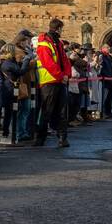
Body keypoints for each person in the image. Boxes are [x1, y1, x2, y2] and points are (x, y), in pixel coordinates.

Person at [35, 19, 72, 147]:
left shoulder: (59, 43)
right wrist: (62, 76)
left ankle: (62, 138)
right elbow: (48, 63)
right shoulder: (44, 44)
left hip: (60, 81)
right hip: (49, 81)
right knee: (47, 111)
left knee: (62, 111)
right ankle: (40, 138)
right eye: (61, 29)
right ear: (58, 29)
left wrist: (67, 74)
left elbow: (65, 60)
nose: (62, 31)